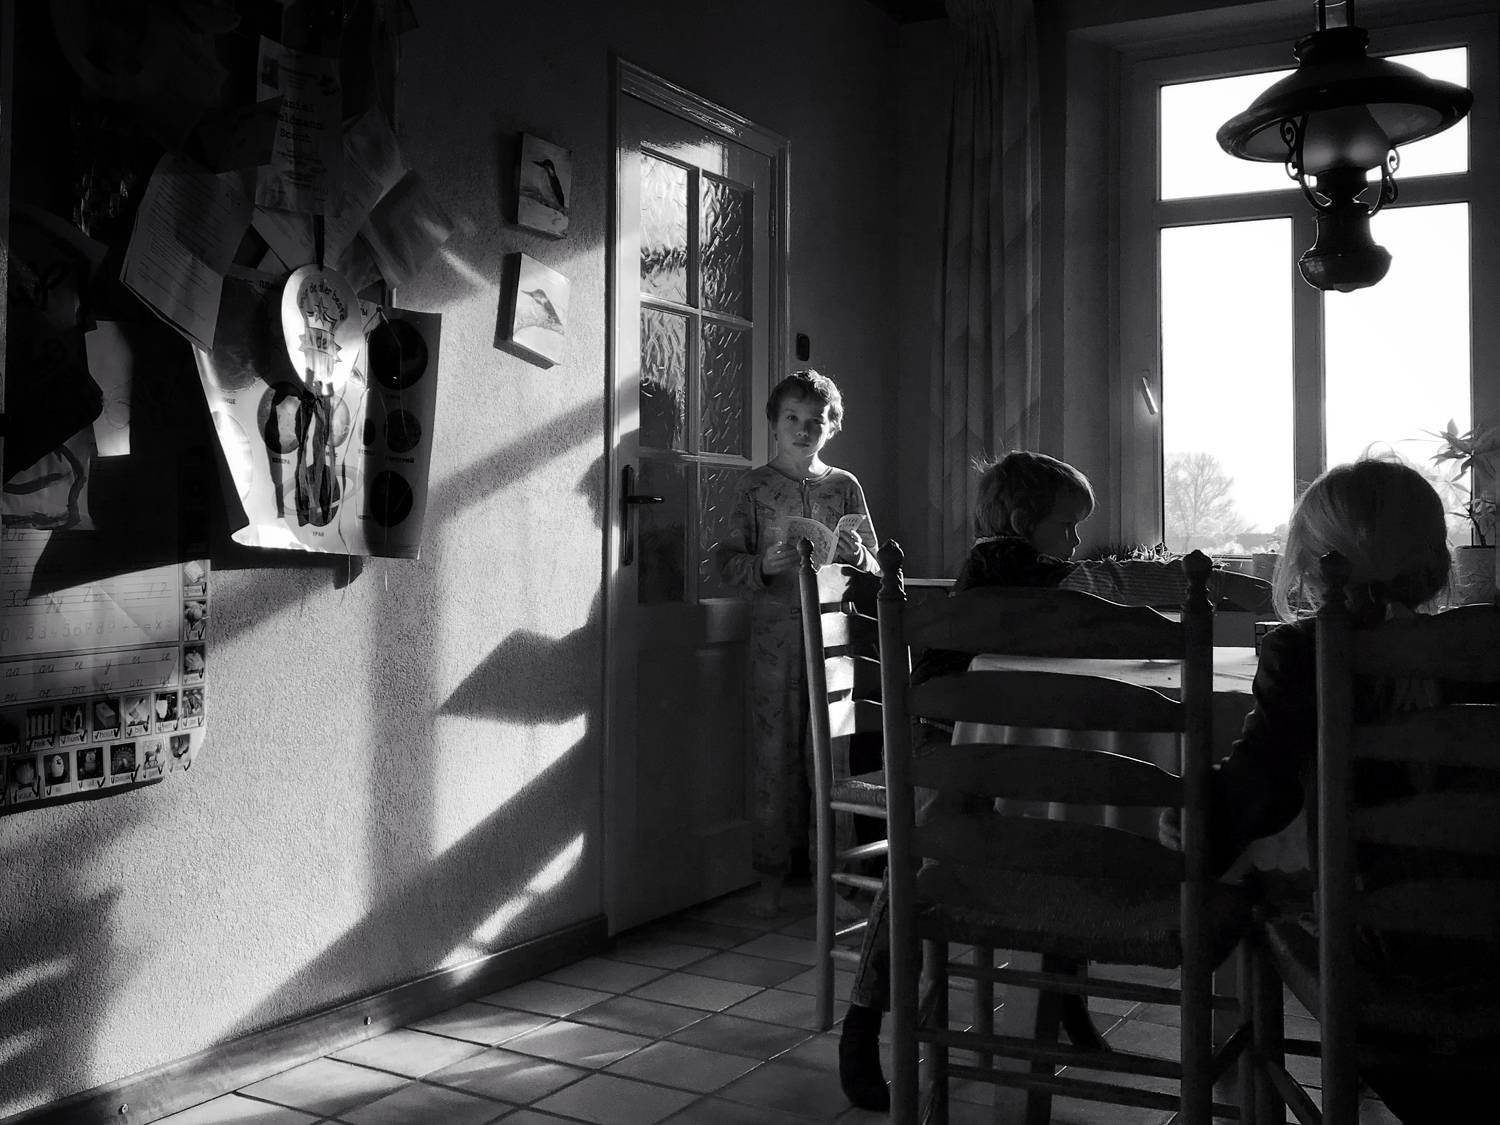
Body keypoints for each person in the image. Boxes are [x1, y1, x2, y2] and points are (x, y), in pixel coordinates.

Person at [839, 449, 1272, 1112]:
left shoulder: (1019, 569)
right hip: (946, 738)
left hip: (1009, 727)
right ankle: (864, 1015)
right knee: (921, 853)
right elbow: (1109, 579)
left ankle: (1061, 995)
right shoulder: (1008, 567)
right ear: (1023, 524)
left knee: (1062, 814)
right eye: (1068, 526)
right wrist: (1222, 583)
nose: (1074, 541)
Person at [1160, 457, 1497, 1125]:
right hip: (1486, 934)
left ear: (1312, 565)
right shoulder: (1478, 649)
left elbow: (1263, 793)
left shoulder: (1304, 652)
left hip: (1379, 949)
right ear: (1434, 561)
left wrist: (1195, 827)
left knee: (1257, 885)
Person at [714, 370, 879, 919]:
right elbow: (724, 563)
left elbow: (876, 568)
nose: (803, 430)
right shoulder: (754, 487)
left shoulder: (845, 487)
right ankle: (771, 878)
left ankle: (840, 878)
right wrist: (763, 564)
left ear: (832, 427)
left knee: (834, 759)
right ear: (774, 422)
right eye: (793, 418)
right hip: (774, 643)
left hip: (835, 646)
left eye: (815, 421)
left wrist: (858, 556)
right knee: (773, 759)